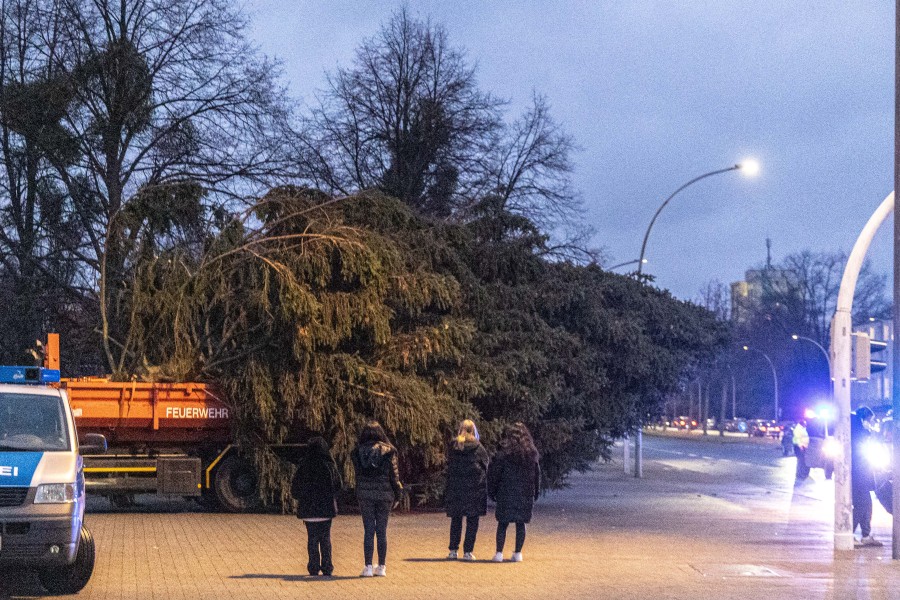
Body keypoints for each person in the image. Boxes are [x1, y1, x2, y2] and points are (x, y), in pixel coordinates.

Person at [352, 420, 403, 577]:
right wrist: (398, 494)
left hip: (365, 495)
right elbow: (394, 476)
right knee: (382, 530)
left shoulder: (357, 452)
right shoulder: (389, 451)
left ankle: (367, 566)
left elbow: (358, 476)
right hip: (385, 495)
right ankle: (381, 567)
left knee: (368, 530)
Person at [487, 422, 540, 563]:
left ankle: (498, 553)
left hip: (506, 492)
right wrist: (536, 492)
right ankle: (518, 553)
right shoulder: (531, 453)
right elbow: (536, 474)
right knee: (520, 523)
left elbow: (495, 473)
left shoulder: (504, 453)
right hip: (524, 493)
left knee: (502, 524)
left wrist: (492, 490)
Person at [291, 436, 342, 576]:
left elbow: (295, 490)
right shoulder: (329, 465)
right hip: (326, 510)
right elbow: (338, 486)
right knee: (325, 538)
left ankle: (313, 567)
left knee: (312, 539)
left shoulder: (303, 466)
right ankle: (327, 567)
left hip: (308, 511)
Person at [444, 419, 489, 561]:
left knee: (456, 519)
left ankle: (453, 550)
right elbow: (485, 465)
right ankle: (468, 551)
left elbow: (449, 464)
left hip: (456, 488)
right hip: (474, 489)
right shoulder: (478, 447)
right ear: (473, 431)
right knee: (472, 520)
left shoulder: (454, 445)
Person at [851, 406, 882, 547]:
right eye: (869, 420)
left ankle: (865, 534)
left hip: (861, 475)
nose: (870, 423)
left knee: (866, 505)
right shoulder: (860, 433)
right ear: (863, 419)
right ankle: (849, 533)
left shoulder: (857, 431)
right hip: (859, 476)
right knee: (861, 505)